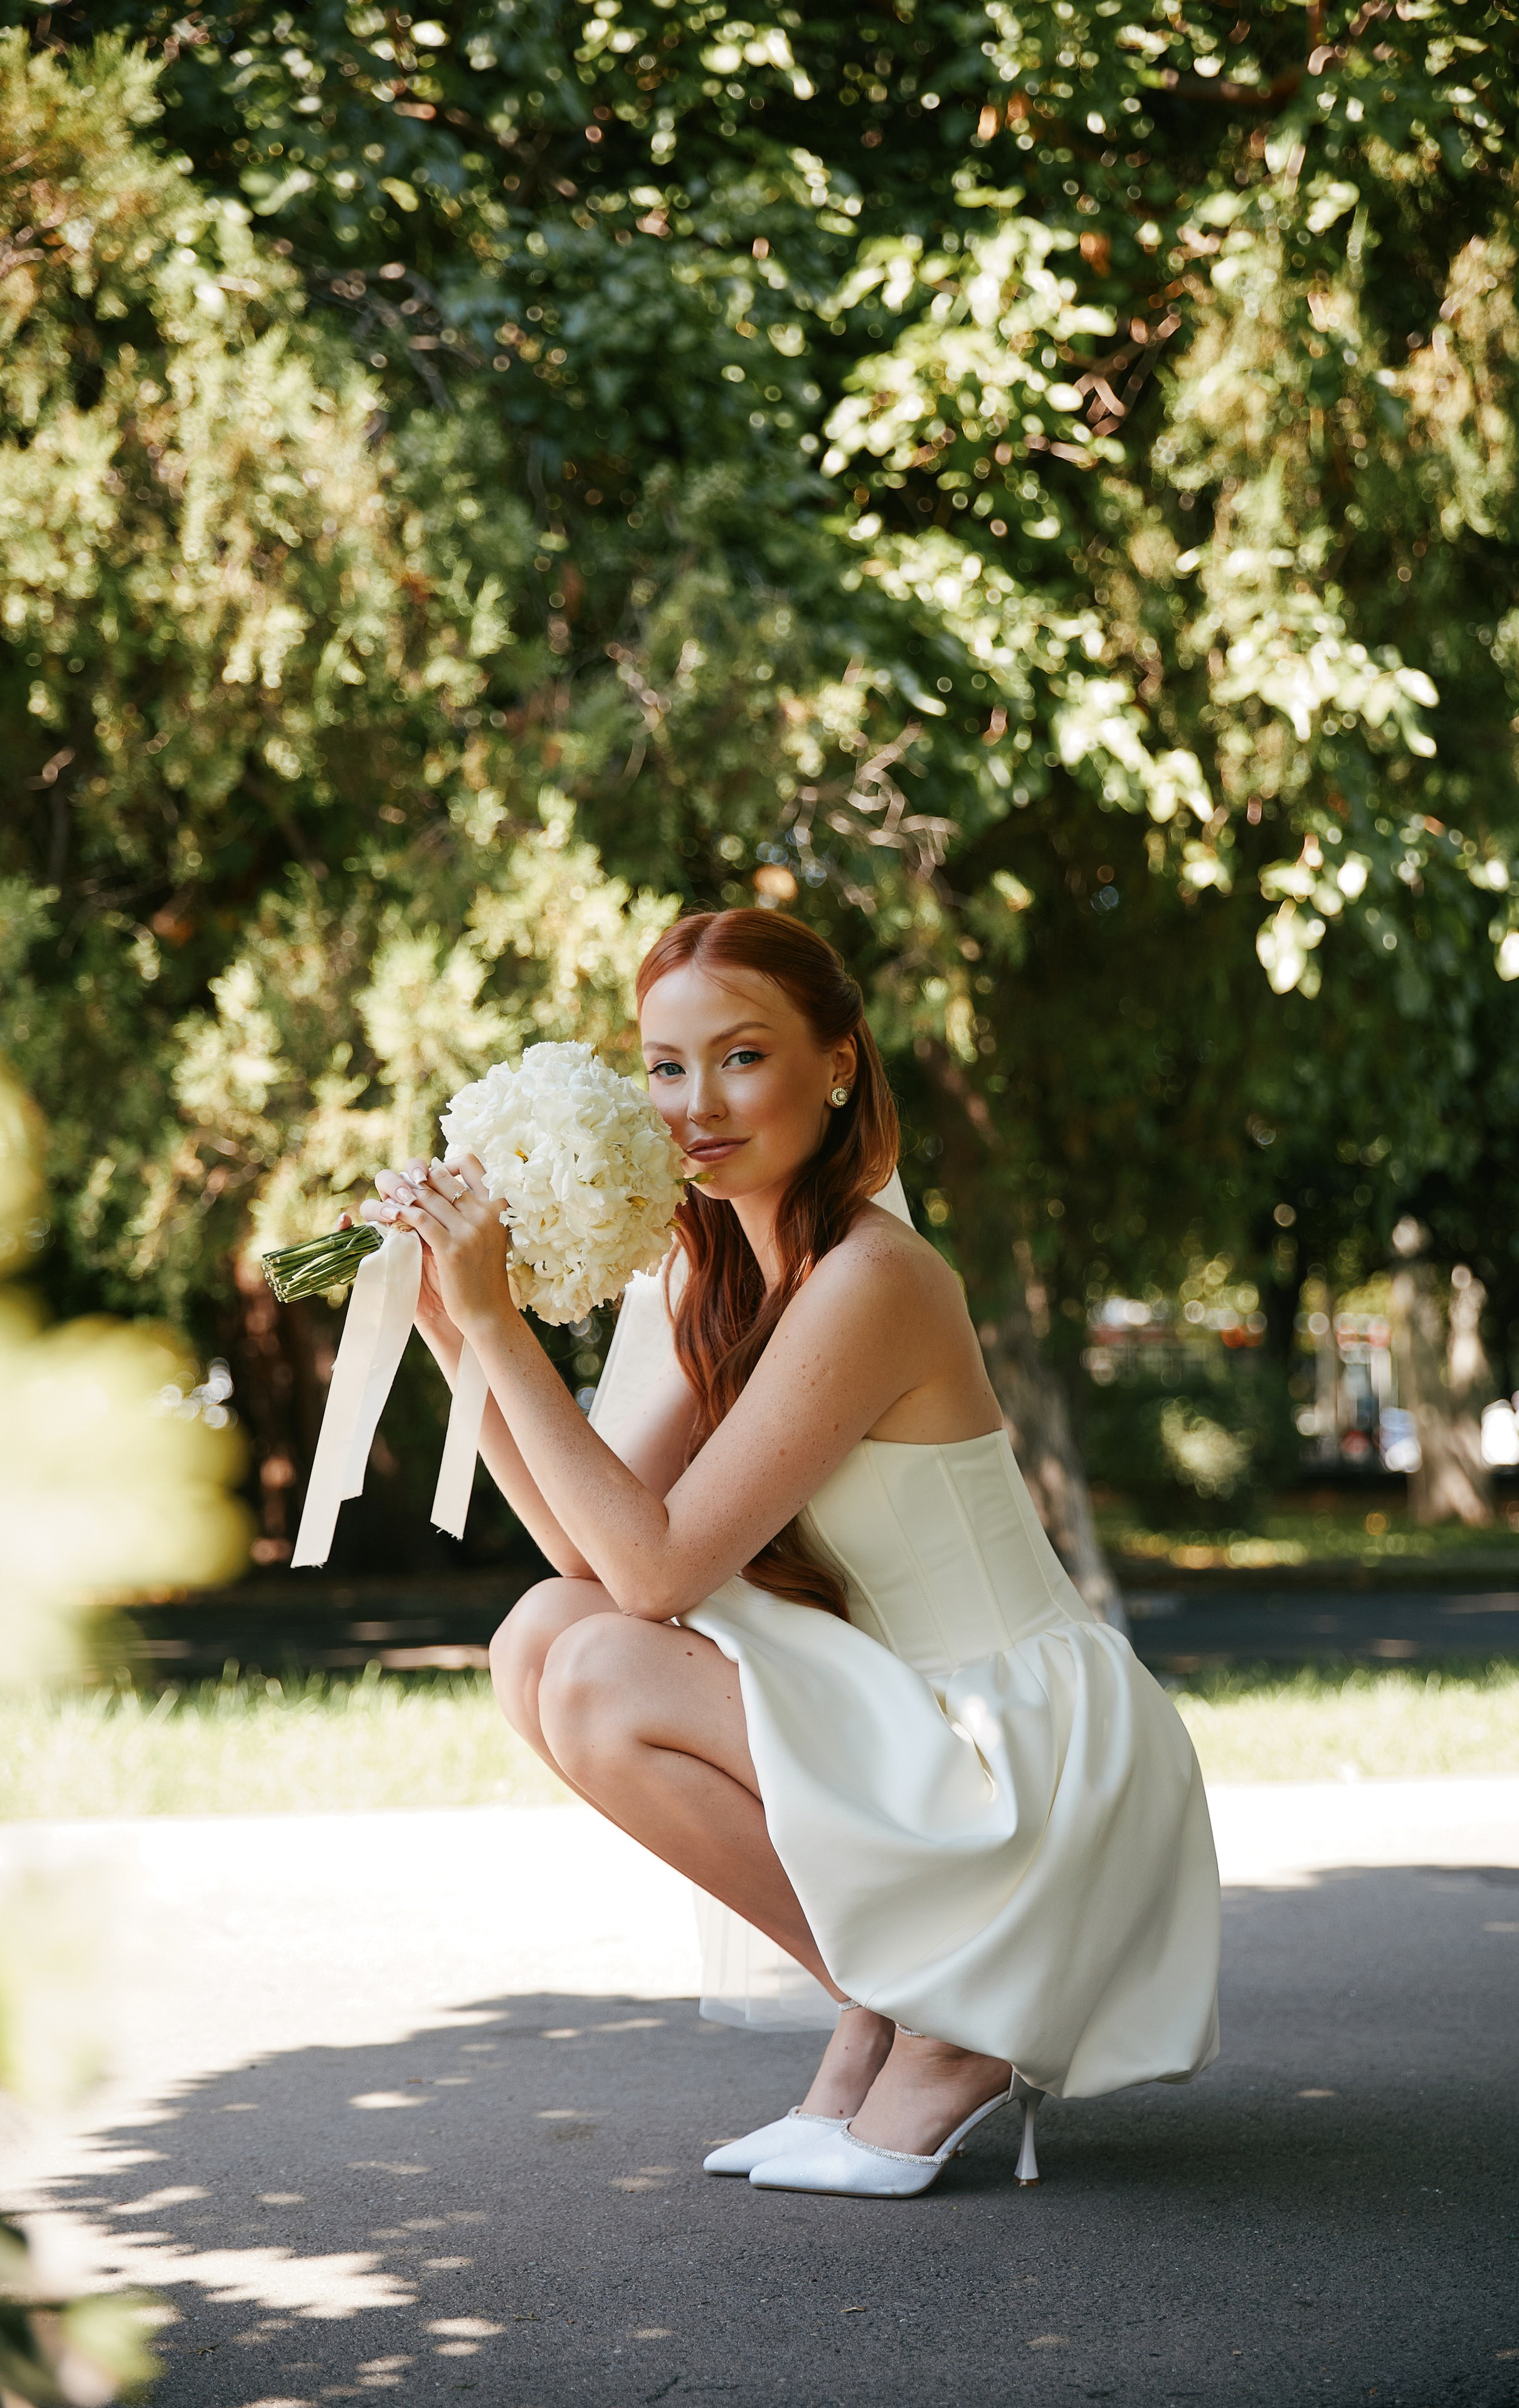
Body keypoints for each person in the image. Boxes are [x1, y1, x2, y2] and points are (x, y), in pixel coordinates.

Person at [362, 909, 1219, 2200]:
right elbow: (585, 1553)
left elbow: (651, 1581)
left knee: (599, 1672)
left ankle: (957, 2018)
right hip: (907, 1717)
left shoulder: (873, 1276)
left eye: (740, 1057)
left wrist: (502, 1320)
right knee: (544, 1631)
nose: (693, 1104)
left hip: (1014, 1744)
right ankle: (885, 2005)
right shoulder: (715, 1274)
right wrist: (453, 1323)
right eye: (664, 1065)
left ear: (836, 1064)